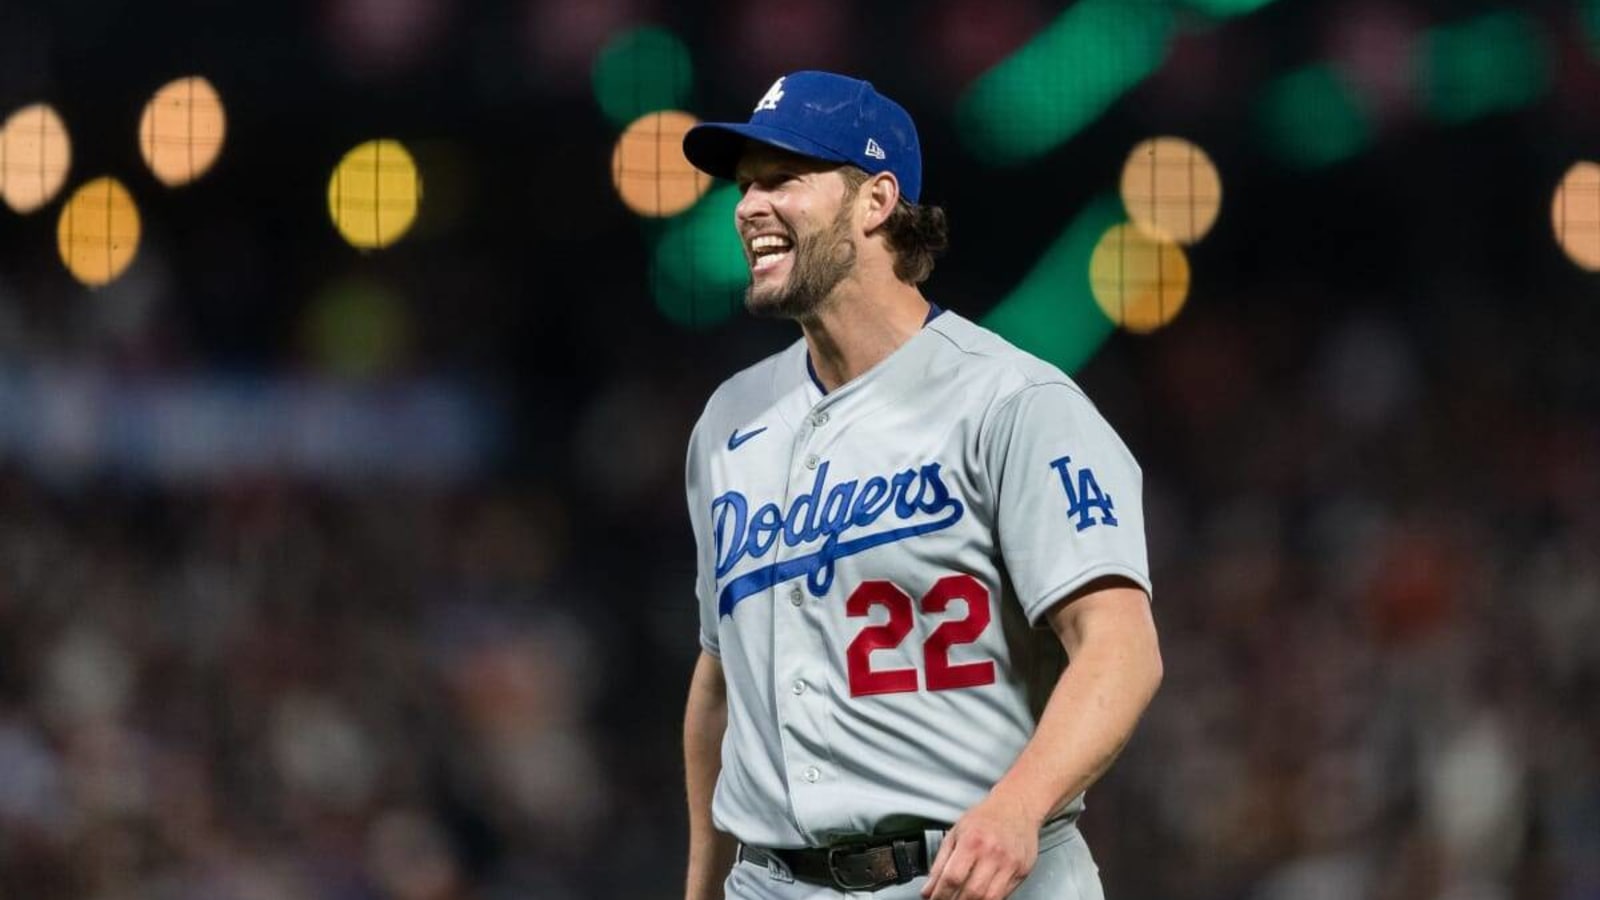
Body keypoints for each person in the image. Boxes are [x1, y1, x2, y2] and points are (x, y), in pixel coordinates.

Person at [678, 70, 1163, 900]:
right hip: (773, 884)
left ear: (875, 201)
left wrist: (1018, 805)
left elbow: (1121, 647)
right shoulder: (730, 420)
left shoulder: (1012, 400)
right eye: (744, 185)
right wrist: (699, 886)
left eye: (782, 179)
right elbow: (722, 683)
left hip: (975, 877)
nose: (748, 206)